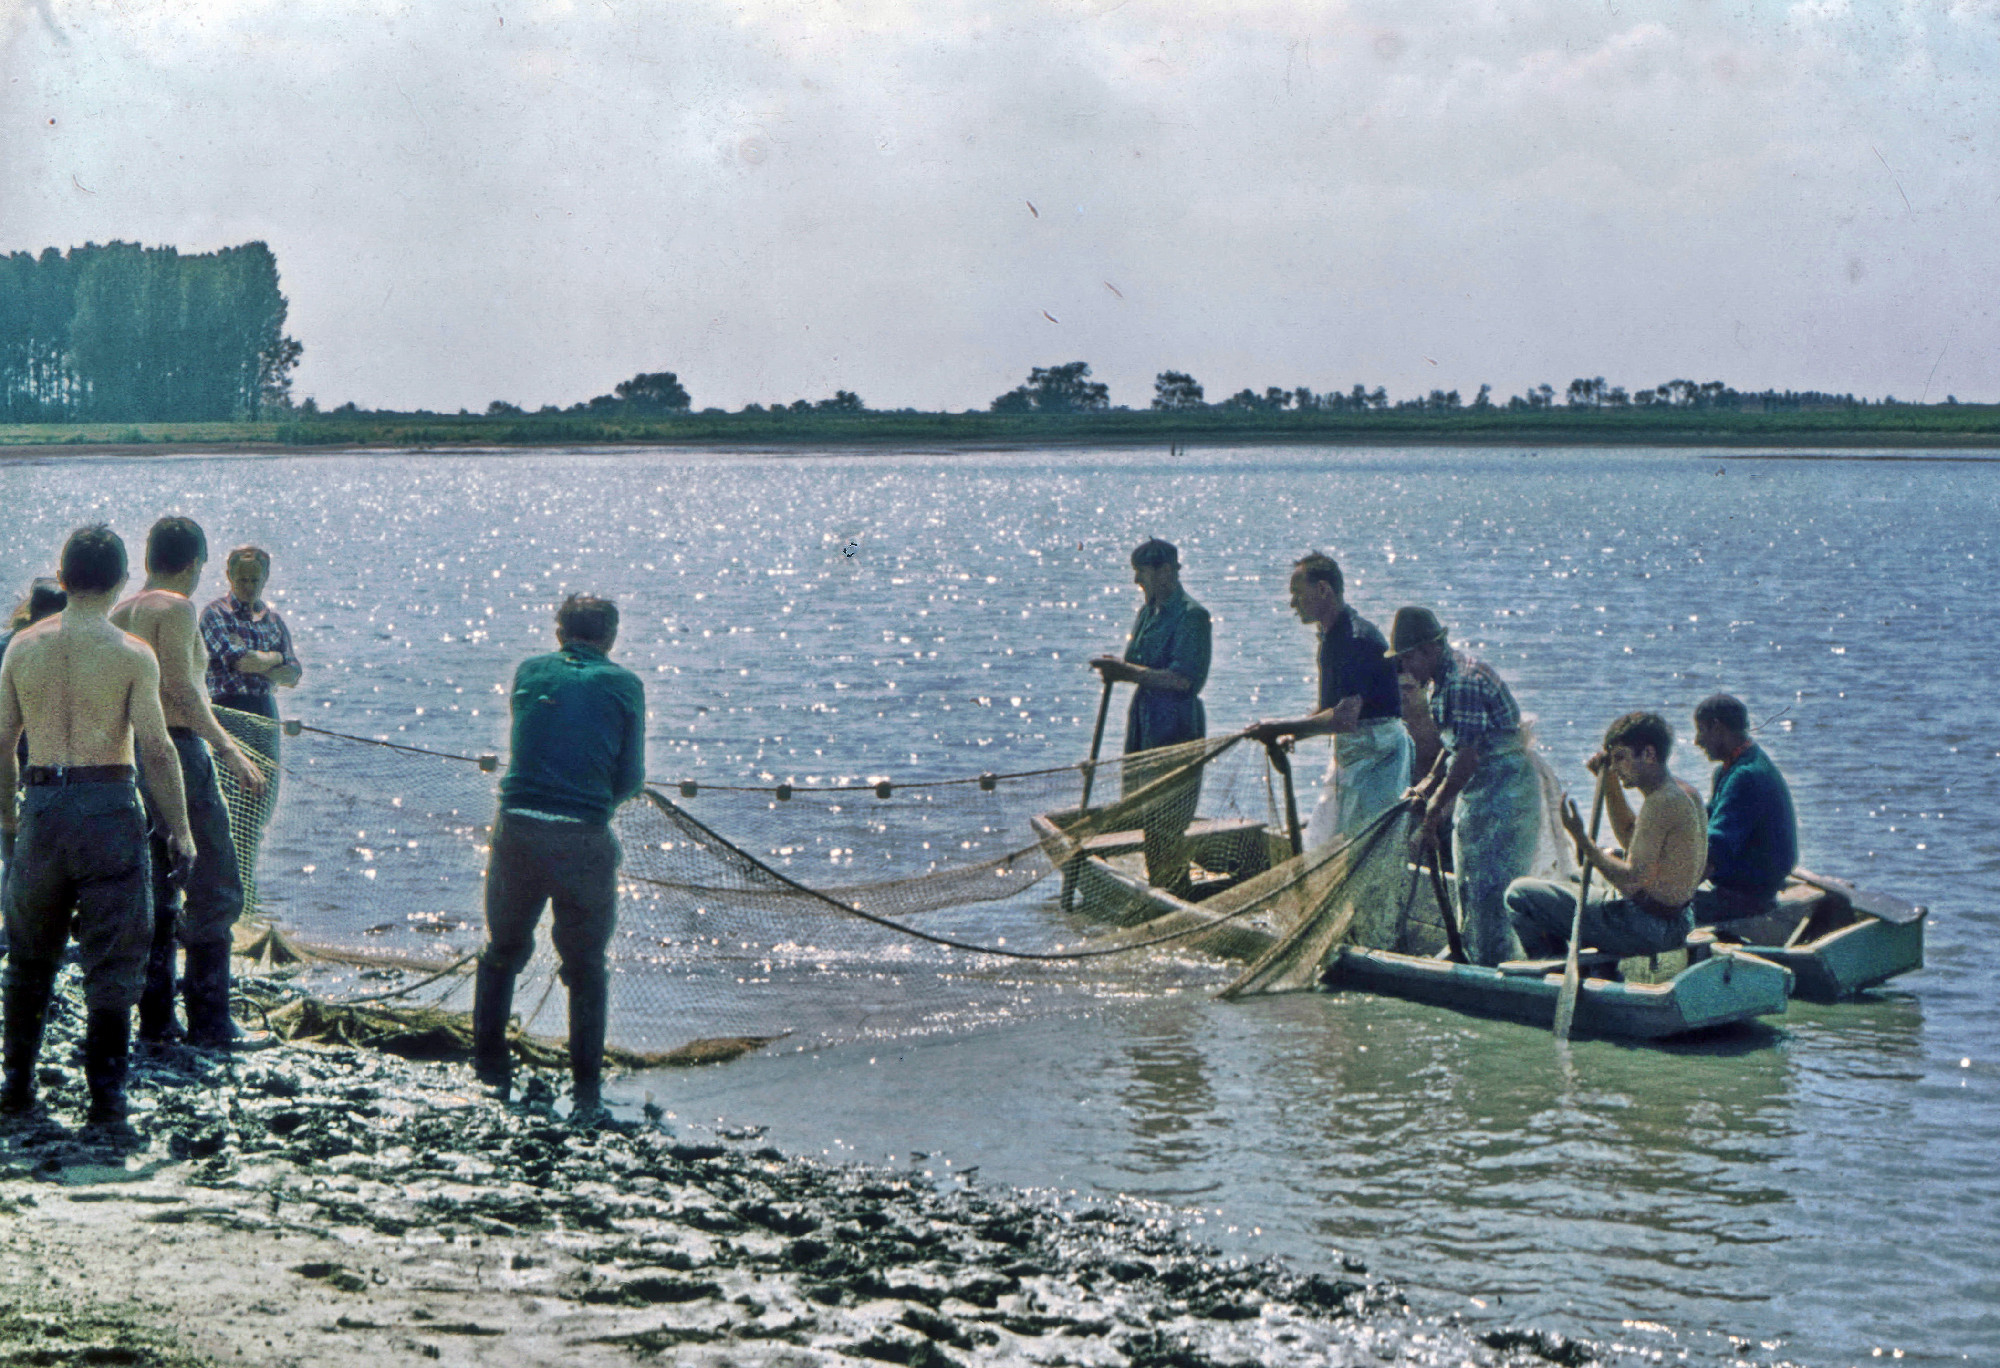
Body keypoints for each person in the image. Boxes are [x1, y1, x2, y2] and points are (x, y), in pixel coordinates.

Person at [0, 525, 194, 1132]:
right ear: (116, 583)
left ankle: (17, 1086)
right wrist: (181, 828)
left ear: (61, 579)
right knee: (113, 955)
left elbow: (2, 743)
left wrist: (9, 820)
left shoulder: (21, 648)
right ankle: (106, 1100)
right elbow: (158, 751)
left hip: (43, 803)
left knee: (30, 955)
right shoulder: (132, 653)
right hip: (109, 801)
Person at [473, 593, 645, 1126]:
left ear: (559, 632)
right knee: (586, 967)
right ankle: (587, 1094)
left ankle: (488, 1071)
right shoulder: (625, 685)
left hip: (517, 829)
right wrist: (593, 809)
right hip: (583, 839)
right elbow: (631, 779)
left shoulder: (529, 671)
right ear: (611, 637)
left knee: (502, 950)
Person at [111, 517, 270, 1049]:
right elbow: (180, 690)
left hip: (130, 759)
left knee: (157, 890)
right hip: (177, 752)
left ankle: (156, 1022)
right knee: (217, 886)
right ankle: (211, 1022)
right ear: (195, 562)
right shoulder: (176, 607)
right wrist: (230, 749)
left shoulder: (120, 609)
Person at [1392, 606, 1542, 966]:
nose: (1404, 669)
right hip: (1481, 792)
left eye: (1407, 659)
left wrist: (1435, 809)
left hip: (1505, 790)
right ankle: (1475, 953)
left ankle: (1497, 965)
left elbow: (1468, 757)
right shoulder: (1440, 682)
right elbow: (1454, 742)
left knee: (1492, 886)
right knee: (1469, 882)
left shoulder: (1461, 681)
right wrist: (1428, 784)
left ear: (1429, 649)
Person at [1505, 712, 1708, 962]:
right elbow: (1631, 839)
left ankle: (1551, 964)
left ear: (1649, 754)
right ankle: (1595, 962)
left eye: (1620, 758)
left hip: (1648, 927)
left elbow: (1633, 878)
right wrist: (1610, 783)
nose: (1614, 767)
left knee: (1518, 894)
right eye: (1612, 760)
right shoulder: (1683, 792)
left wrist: (1582, 841)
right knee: (1576, 876)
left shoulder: (1661, 803)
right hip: (1677, 921)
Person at [1246, 552, 1410, 848]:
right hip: (1355, 754)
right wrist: (1292, 733)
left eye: (1297, 593)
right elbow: (1329, 710)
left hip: (1378, 756)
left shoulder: (1355, 639)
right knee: (1325, 842)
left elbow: (1344, 718)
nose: (1292, 603)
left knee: (1365, 847)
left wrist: (1278, 726)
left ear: (1323, 590)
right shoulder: (1331, 637)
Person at [1088, 538, 1212, 895]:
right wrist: (1119, 667)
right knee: (1144, 814)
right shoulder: (1148, 611)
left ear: (1166, 571)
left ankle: (1174, 896)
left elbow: (1184, 679)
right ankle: (1163, 889)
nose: (1136, 582)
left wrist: (1126, 672)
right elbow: (1137, 661)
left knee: (1167, 821)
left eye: (1141, 573)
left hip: (1175, 726)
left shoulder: (1192, 616)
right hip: (1143, 723)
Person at [1689, 693, 1799, 923]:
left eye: (1701, 730)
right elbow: (1703, 828)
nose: (1697, 741)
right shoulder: (1729, 770)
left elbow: (1714, 852)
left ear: (1717, 727)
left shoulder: (1746, 776)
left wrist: (1671, 897)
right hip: (1738, 891)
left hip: (1749, 901)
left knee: (1647, 909)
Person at [199, 544, 302, 721]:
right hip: (229, 708)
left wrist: (262, 663)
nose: (249, 587)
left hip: (266, 709)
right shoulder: (216, 614)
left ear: (265, 577)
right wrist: (277, 658)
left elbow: (293, 675)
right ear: (230, 576)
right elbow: (244, 663)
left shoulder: (273, 621)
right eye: (242, 580)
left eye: (254, 580)